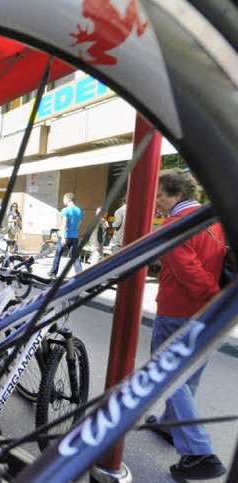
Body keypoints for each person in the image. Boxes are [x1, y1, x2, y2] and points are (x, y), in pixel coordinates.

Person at [144, 169, 227, 481]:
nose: (157, 203)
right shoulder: (215, 220)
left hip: (178, 309)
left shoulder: (177, 224)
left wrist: (210, 294)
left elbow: (186, 267)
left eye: (161, 196)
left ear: (178, 195)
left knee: (169, 377)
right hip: (208, 313)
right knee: (189, 374)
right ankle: (169, 424)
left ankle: (198, 452)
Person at [48, 192, 83, 278]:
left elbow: (64, 224)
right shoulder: (79, 210)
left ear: (68, 199)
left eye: (64, 199)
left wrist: (63, 237)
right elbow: (79, 223)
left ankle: (53, 273)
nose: (63, 201)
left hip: (65, 236)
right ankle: (80, 274)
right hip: (74, 236)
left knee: (58, 255)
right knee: (75, 257)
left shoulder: (65, 210)